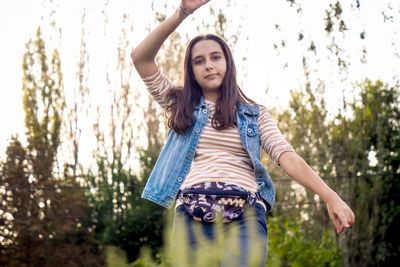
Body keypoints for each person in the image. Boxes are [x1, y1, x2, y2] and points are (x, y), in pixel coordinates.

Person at [131, 0, 355, 265]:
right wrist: (182, 13)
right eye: (199, 61)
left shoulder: (255, 115)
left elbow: (287, 157)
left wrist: (331, 196)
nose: (209, 65)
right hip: (191, 217)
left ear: (228, 62)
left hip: (244, 216)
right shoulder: (180, 105)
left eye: (215, 57)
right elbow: (141, 58)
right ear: (191, 71)